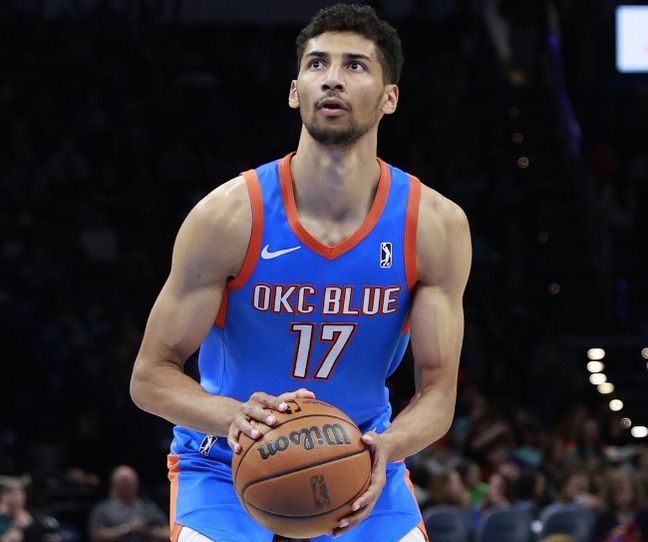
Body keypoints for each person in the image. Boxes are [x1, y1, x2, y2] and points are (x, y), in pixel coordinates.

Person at [130, 4, 471, 541]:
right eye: (317, 64)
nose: (332, 78)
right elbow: (149, 376)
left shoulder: (434, 226)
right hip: (226, 460)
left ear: (390, 97)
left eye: (355, 65)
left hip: (362, 458)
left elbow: (438, 394)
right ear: (295, 91)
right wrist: (231, 415)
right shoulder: (228, 217)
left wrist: (387, 448)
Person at [88, 466, 168, 542]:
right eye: (125, 482)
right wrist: (127, 528)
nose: (129, 486)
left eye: (132, 482)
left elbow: (168, 533)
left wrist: (148, 530)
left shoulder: (148, 506)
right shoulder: (103, 508)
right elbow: (95, 536)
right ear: (115, 484)